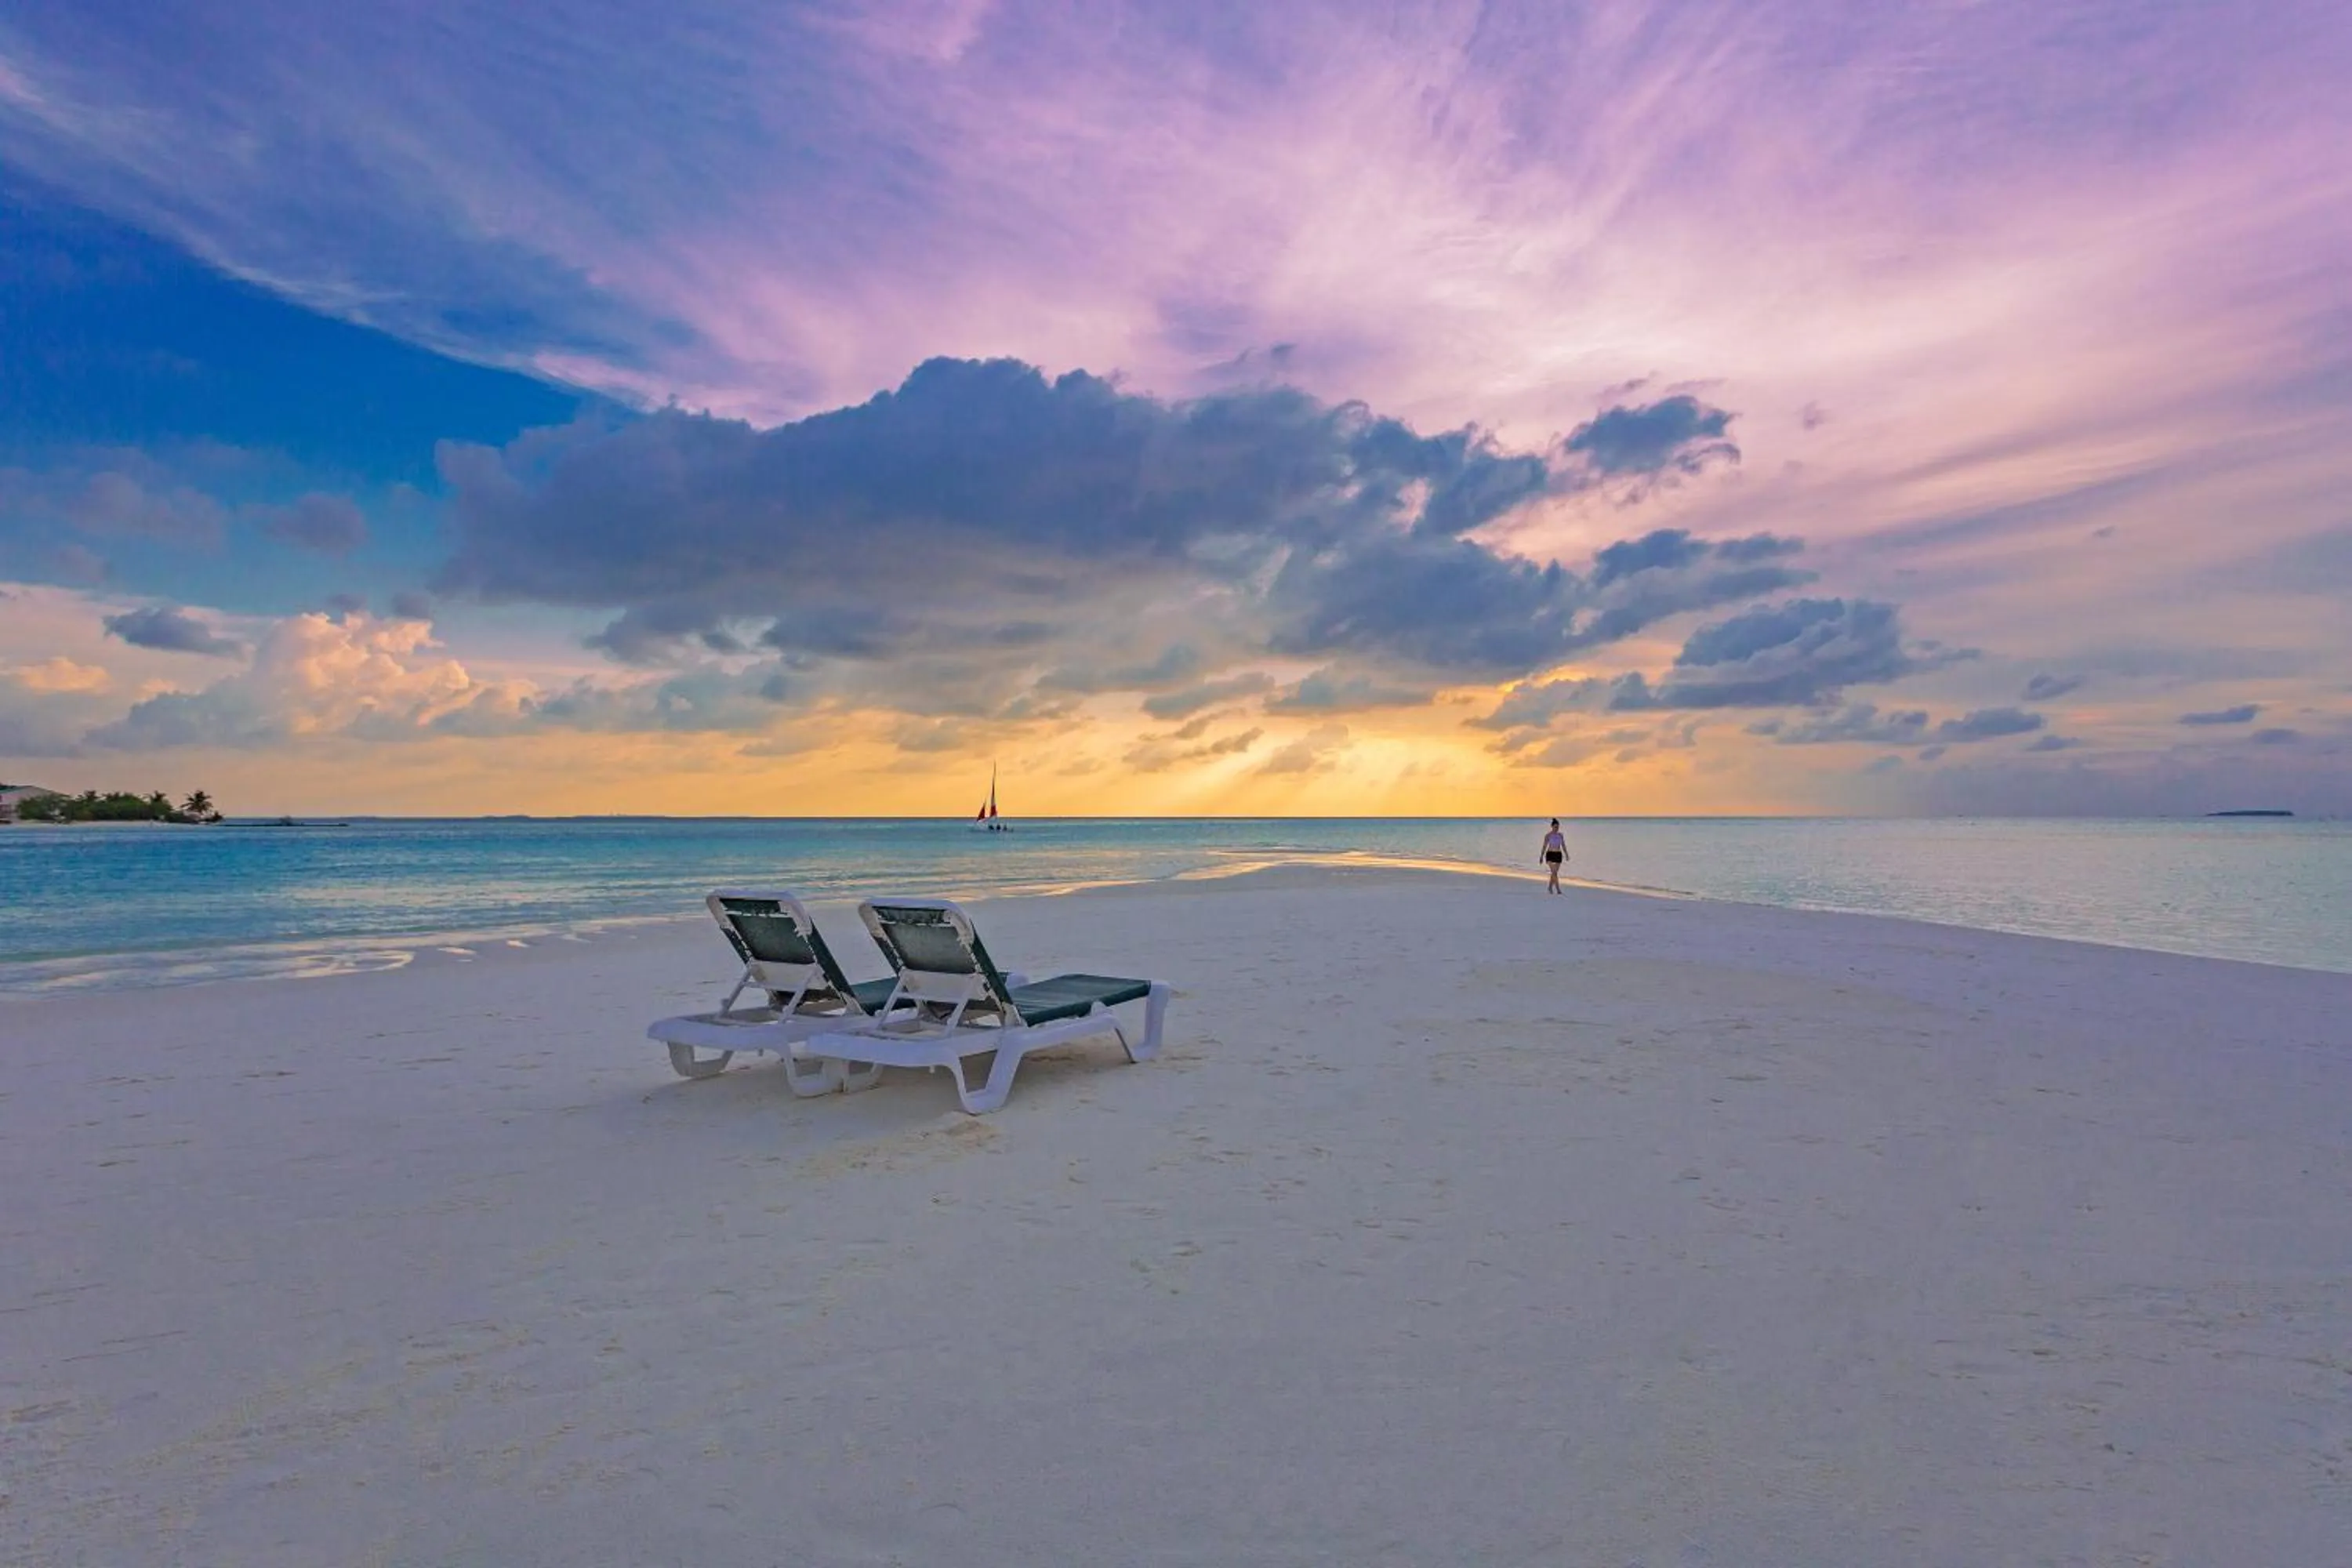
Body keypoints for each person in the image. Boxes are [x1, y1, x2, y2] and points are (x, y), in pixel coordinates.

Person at [1539, 818, 1567, 895]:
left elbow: (1563, 845)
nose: (1556, 829)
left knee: (1554, 873)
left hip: (1558, 855)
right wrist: (1541, 856)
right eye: (1555, 827)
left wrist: (1566, 854)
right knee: (1554, 872)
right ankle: (1558, 889)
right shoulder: (1548, 835)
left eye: (1558, 827)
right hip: (1550, 854)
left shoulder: (1560, 835)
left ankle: (1550, 887)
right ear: (1552, 827)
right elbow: (1544, 846)